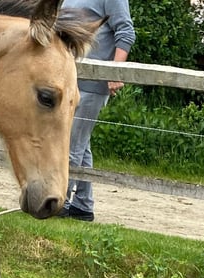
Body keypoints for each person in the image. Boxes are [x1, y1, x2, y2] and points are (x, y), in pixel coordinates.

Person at [59, 0, 135, 222]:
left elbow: (126, 31)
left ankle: (59, 202)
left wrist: (114, 71)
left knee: (71, 144)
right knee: (81, 145)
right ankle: (83, 205)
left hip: (93, 83)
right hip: (71, 78)